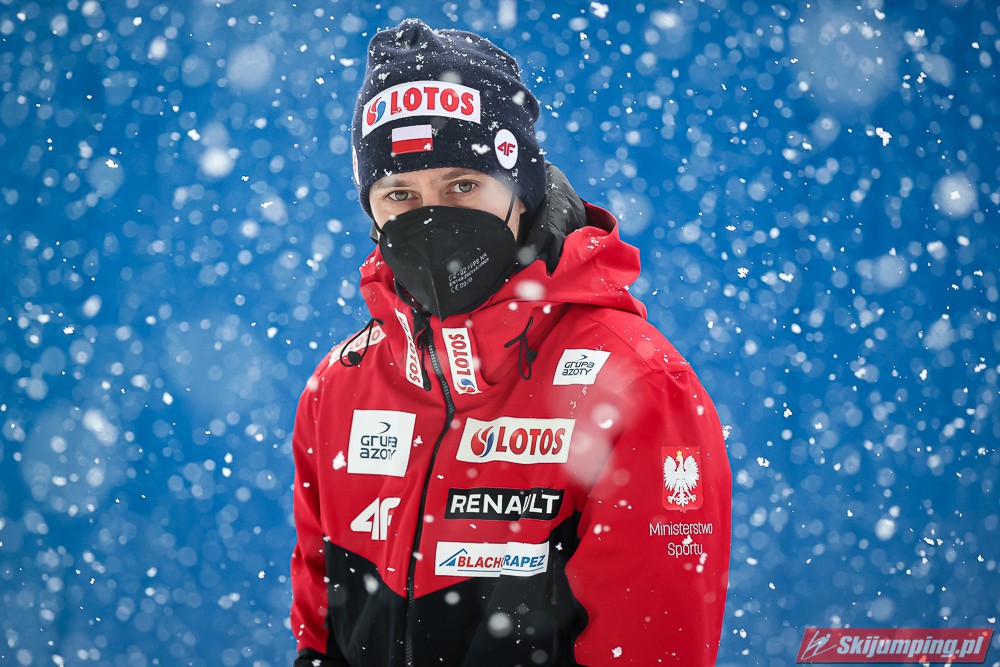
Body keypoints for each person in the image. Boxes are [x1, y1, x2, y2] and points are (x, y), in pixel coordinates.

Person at [289, 18, 732, 667]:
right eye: (400, 194)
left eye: (462, 185)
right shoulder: (338, 387)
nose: (431, 218)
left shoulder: (638, 386)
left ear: (521, 189)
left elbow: (651, 647)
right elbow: (320, 640)